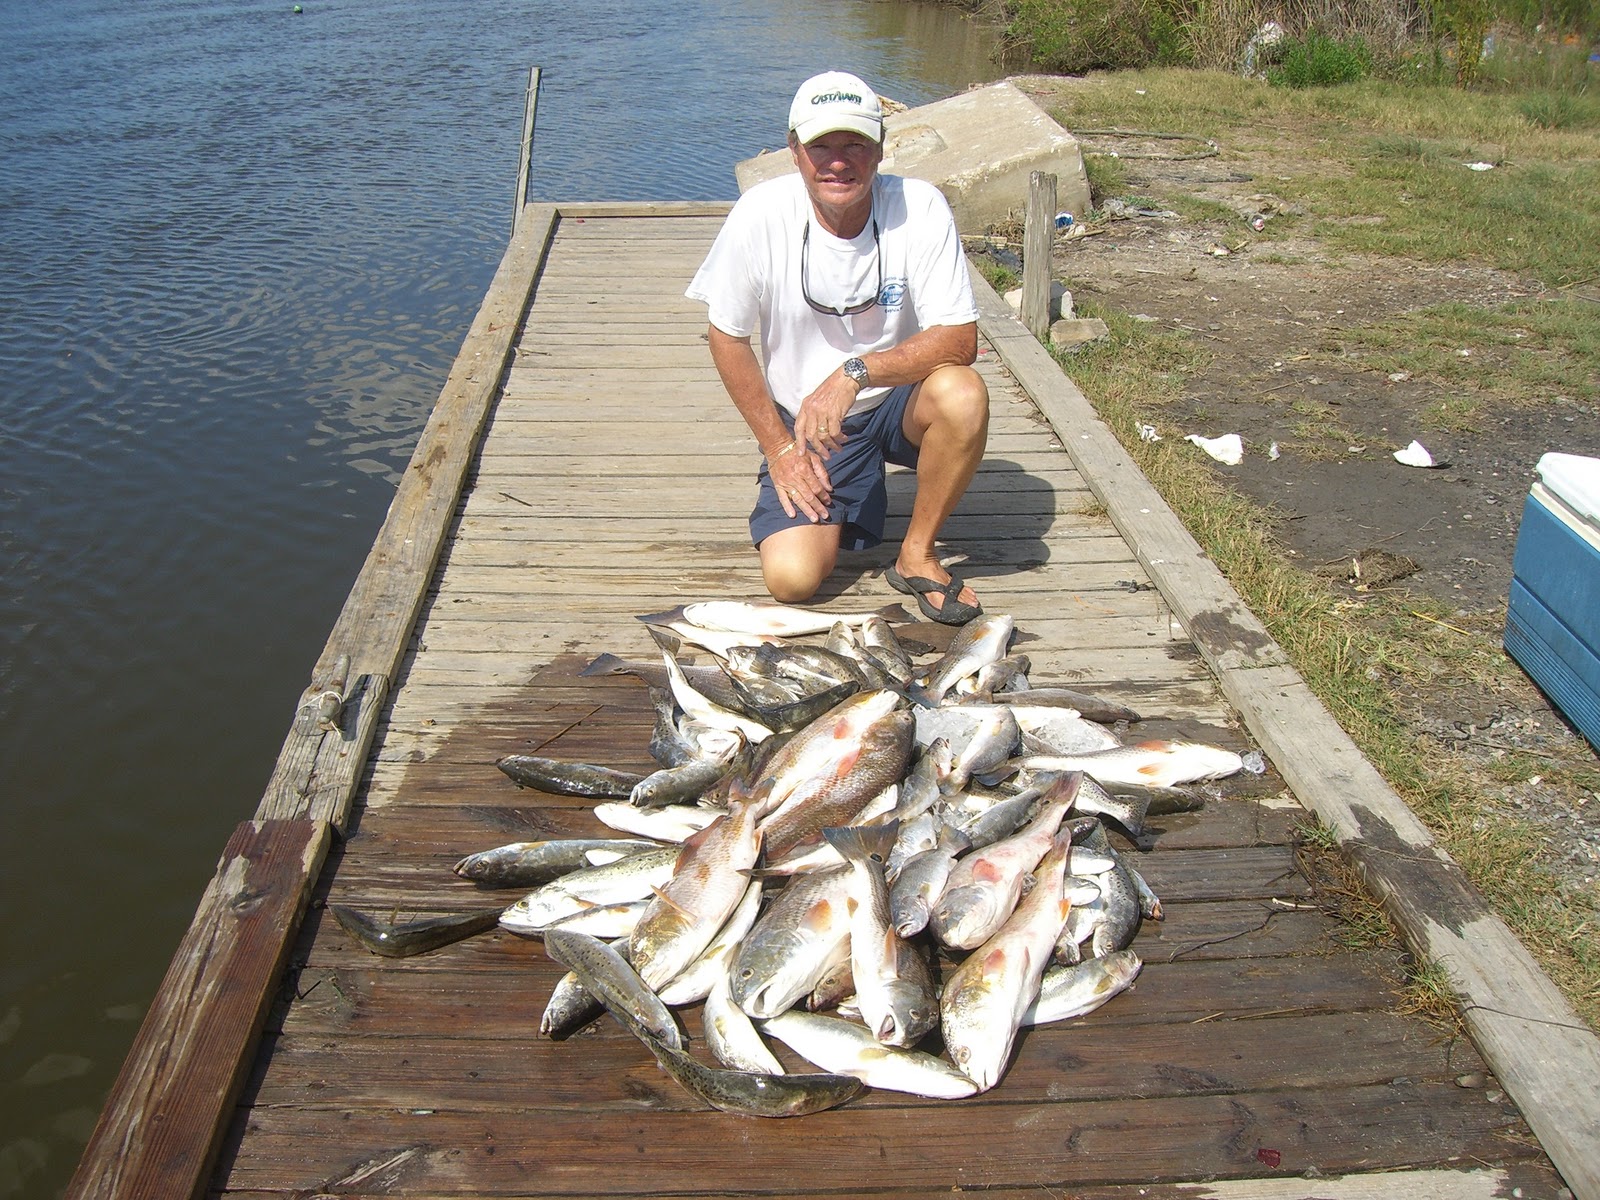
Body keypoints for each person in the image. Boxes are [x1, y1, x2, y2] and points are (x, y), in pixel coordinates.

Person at [685, 70, 990, 625]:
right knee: (792, 581)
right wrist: (780, 450)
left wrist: (855, 372)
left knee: (962, 393)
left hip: (898, 400)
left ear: (880, 148)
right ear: (794, 149)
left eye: (855, 144)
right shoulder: (759, 214)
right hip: (810, 425)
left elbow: (959, 339)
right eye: (821, 145)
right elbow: (725, 335)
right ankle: (850, 489)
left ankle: (917, 553)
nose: (838, 161)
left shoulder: (920, 207)